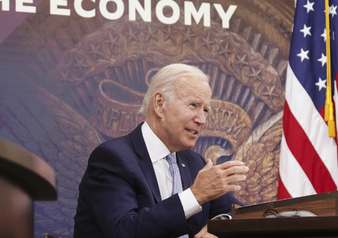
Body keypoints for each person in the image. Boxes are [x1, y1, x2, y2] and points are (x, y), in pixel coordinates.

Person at [74, 63, 249, 238]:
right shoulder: (111, 159)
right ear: (159, 104)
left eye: (205, 110)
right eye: (193, 105)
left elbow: (238, 216)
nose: (202, 119)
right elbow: (123, 231)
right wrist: (194, 196)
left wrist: (217, 227)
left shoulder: (195, 162)